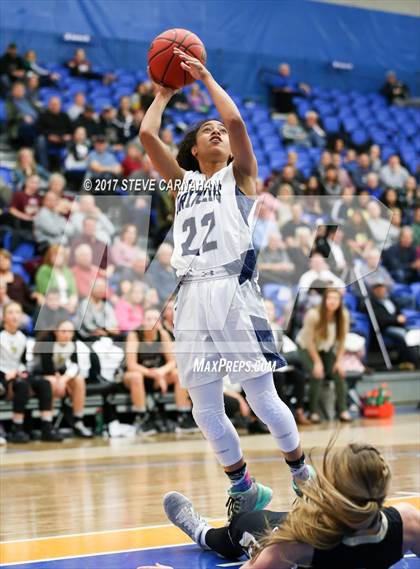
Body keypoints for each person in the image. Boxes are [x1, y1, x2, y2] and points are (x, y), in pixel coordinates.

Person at [140, 46, 313, 519]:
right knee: (204, 408)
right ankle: (244, 485)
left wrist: (207, 78)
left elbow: (235, 124)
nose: (216, 131)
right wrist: (164, 93)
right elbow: (146, 134)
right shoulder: (183, 184)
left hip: (234, 291)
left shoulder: (241, 175)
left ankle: (301, 473)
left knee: (261, 398)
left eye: (218, 130)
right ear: (193, 151)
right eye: (205, 132)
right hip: (191, 296)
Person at [153, 440, 420, 569]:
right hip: (322, 530)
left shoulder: (297, 542)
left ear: (334, 489)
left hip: (297, 546)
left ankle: (204, 535)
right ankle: (307, 503)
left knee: (243, 525)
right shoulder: (408, 521)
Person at [124, 307, 197, 434]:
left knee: (179, 373)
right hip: (136, 376)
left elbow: (172, 362)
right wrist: (154, 374)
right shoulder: (134, 335)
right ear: (143, 321)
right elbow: (131, 365)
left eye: (155, 319)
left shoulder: (162, 334)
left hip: (158, 376)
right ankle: (142, 418)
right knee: (136, 376)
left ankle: (183, 416)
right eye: (149, 319)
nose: (152, 322)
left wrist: (161, 372)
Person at [0, 302, 62, 443]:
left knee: (44, 383)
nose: (14, 316)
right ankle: (17, 429)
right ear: (4, 317)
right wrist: (5, 374)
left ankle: (46, 427)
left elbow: (22, 362)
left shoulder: (22, 337)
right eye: (10, 312)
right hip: (4, 377)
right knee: (21, 385)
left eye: (17, 312)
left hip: (17, 375)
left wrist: (22, 371)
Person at [296, 288, 352, 424]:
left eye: (336, 298)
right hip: (306, 347)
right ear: (324, 300)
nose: (332, 301)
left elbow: (343, 340)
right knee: (317, 374)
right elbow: (309, 341)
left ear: (340, 302)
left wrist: (339, 361)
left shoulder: (343, 315)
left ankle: (343, 410)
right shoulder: (313, 314)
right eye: (329, 298)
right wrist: (317, 362)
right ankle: (313, 412)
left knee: (338, 373)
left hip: (325, 348)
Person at [36, 320, 92, 438]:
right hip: (38, 375)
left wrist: (63, 379)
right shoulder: (47, 343)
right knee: (50, 382)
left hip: (59, 376)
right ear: (56, 331)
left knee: (79, 380)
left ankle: (78, 422)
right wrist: (59, 379)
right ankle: (48, 425)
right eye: (64, 331)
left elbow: (75, 366)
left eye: (70, 332)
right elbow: (45, 368)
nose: (67, 335)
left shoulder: (73, 344)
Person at [368, 278, 418, 367]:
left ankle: (405, 359)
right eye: (378, 289)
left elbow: (399, 313)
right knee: (403, 335)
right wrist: (396, 319)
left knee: (415, 332)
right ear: (373, 290)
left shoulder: (390, 300)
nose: (381, 291)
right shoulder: (371, 304)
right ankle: (416, 361)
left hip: (399, 325)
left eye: (382, 288)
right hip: (385, 328)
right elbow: (380, 320)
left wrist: (401, 319)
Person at [35, 244, 78, 313]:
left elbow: (74, 293)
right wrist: (65, 307)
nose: (58, 257)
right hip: (51, 307)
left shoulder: (67, 271)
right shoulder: (44, 270)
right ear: (49, 257)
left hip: (68, 307)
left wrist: (71, 305)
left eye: (60, 255)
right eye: (55, 255)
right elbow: (47, 294)